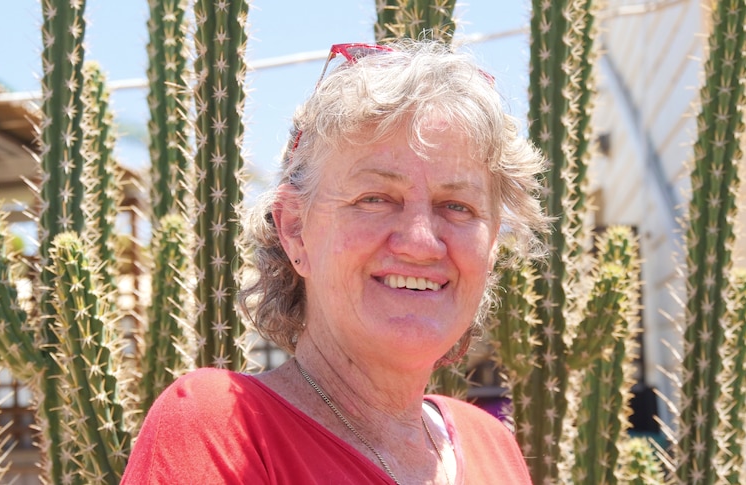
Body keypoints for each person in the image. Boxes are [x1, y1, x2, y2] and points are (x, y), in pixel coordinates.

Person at [121, 40, 546, 484]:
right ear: (295, 231)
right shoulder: (224, 428)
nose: (421, 243)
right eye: (375, 198)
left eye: (457, 206)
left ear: (494, 243)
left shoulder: (491, 443)